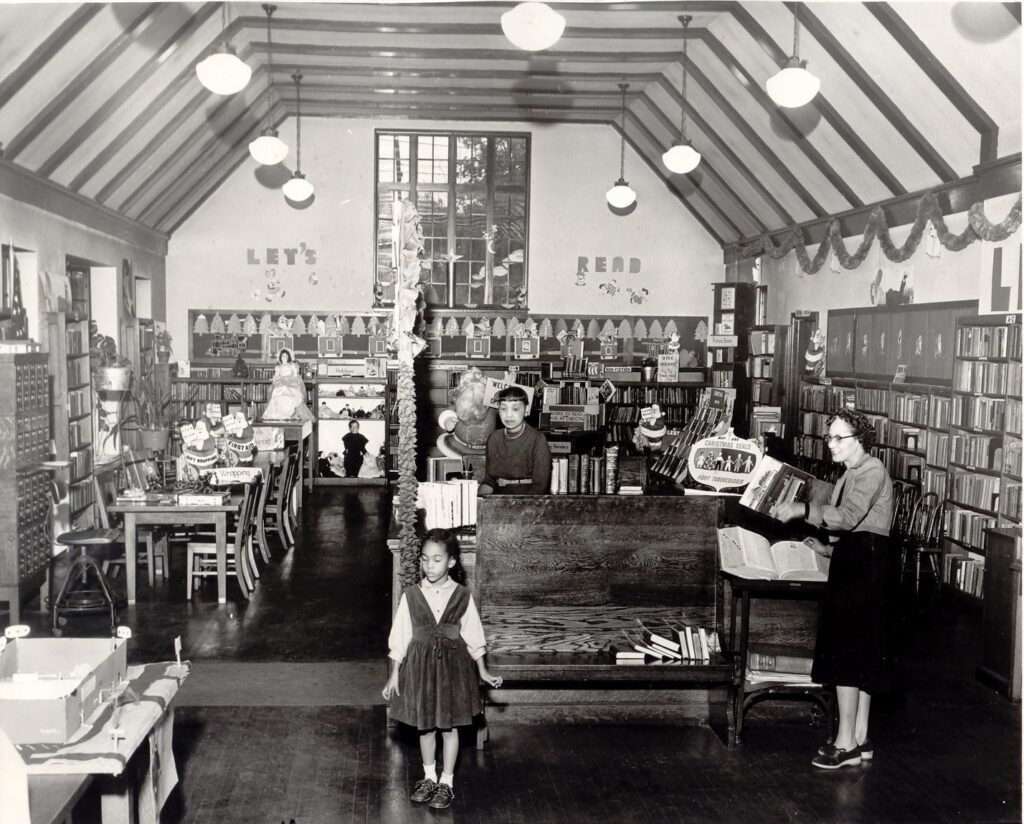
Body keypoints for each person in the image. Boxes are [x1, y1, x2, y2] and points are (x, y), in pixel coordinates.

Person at [776, 408, 896, 770]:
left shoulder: (871, 470)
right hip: (862, 564)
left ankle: (845, 744)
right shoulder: (852, 473)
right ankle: (860, 738)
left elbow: (847, 518)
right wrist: (827, 549)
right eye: (829, 437)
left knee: (847, 654)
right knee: (862, 653)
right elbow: (859, 531)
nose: (831, 444)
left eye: (838, 438)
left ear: (860, 440)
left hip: (864, 570)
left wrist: (801, 509)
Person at [382, 530, 502, 810]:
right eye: (425, 560)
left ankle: (446, 782)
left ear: (450, 562)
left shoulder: (461, 596)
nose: (429, 566)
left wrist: (482, 671)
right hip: (420, 670)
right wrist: (394, 673)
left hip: (453, 670)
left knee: (448, 727)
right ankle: (428, 777)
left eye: (437, 560)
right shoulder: (411, 596)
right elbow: (399, 638)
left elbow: (473, 635)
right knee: (425, 727)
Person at [479, 385, 551, 494]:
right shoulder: (494, 438)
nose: (508, 415)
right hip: (498, 500)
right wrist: (476, 499)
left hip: (528, 501)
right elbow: (489, 481)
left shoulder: (537, 439)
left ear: (526, 409)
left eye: (515, 409)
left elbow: (539, 487)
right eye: (503, 408)